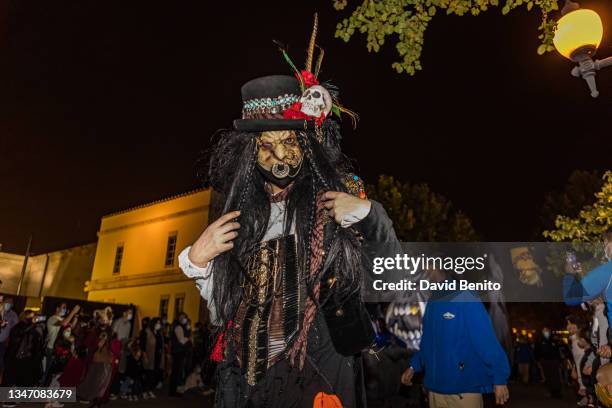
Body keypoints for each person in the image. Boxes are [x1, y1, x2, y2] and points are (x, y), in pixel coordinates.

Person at [178, 14, 403, 408]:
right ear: (252, 152)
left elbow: (393, 276)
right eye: (266, 144)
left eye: (289, 141)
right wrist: (197, 261)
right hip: (249, 386)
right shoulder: (240, 218)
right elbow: (221, 313)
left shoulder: (336, 203)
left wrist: (370, 215)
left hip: (318, 378)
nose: (279, 154)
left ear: (307, 144)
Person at [400, 269, 510, 407]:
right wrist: (413, 366)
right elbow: (428, 342)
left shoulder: (464, 294)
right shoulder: (432, 300)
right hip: (435, 391)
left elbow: (485, 339)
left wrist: (499, 377)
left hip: (463, 390)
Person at [1, 310, 44, 394]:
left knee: (22, 379)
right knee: (10, 379)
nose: (33, 318)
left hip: (27, 357)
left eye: (34, 316)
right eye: (30, 317)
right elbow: (21, 333)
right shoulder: (18, 326)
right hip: (16, 357)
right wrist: (32, 324)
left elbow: (35, 341)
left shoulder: (33, 327)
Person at [43, 302, 80, 385]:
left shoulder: (61, 319)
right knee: (48, 372)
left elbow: (70, 326)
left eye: (65, 308)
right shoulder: (52, 319)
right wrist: (73, 312)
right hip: (51, 349)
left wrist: (75, 317)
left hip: (59, 350)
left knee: (55, 373)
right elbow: (64, 323)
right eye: (63, 307)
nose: (64, 310)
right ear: (57, 308)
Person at [534, 327, 562, 398]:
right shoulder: (539, 340)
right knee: (548, 376)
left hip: (554, 360)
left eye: (547, 331)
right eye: (544, 331)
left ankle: (557, 391)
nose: (546, 332)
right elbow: (536, 351)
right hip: (545, 361)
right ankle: (551, 391)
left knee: (556, 376)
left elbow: (557, 351)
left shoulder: (553, 340)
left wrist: (559, 360)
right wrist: (537, 360)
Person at [168, 312, 192, 396]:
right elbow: (181, 341)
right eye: (181, 317)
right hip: (178, 352)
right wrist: (188, 337)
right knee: (176, 372)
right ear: (178, 318)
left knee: (177, 372)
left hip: (179, 351)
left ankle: (174, 390)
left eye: (184, 317)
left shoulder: (181, 326)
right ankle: (172, 391)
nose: (183, 319)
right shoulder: (178, 327)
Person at [0, 297, 18, 384]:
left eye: (11, 303)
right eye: (7, 302)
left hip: (3, 342)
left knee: (1, 360)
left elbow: (16, 327)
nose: (9, 304)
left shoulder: (13, 315)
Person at [143, 318, 163, 396]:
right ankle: (144, 390)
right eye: (157, 323)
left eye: (159, 323)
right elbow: (143, 345)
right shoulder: (147, 332)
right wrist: (145, 355)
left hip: (157, 356)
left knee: (154, 374)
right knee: (148, 373)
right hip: (149, 355)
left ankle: (150, 389)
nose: (158, 325)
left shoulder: (159, 333)